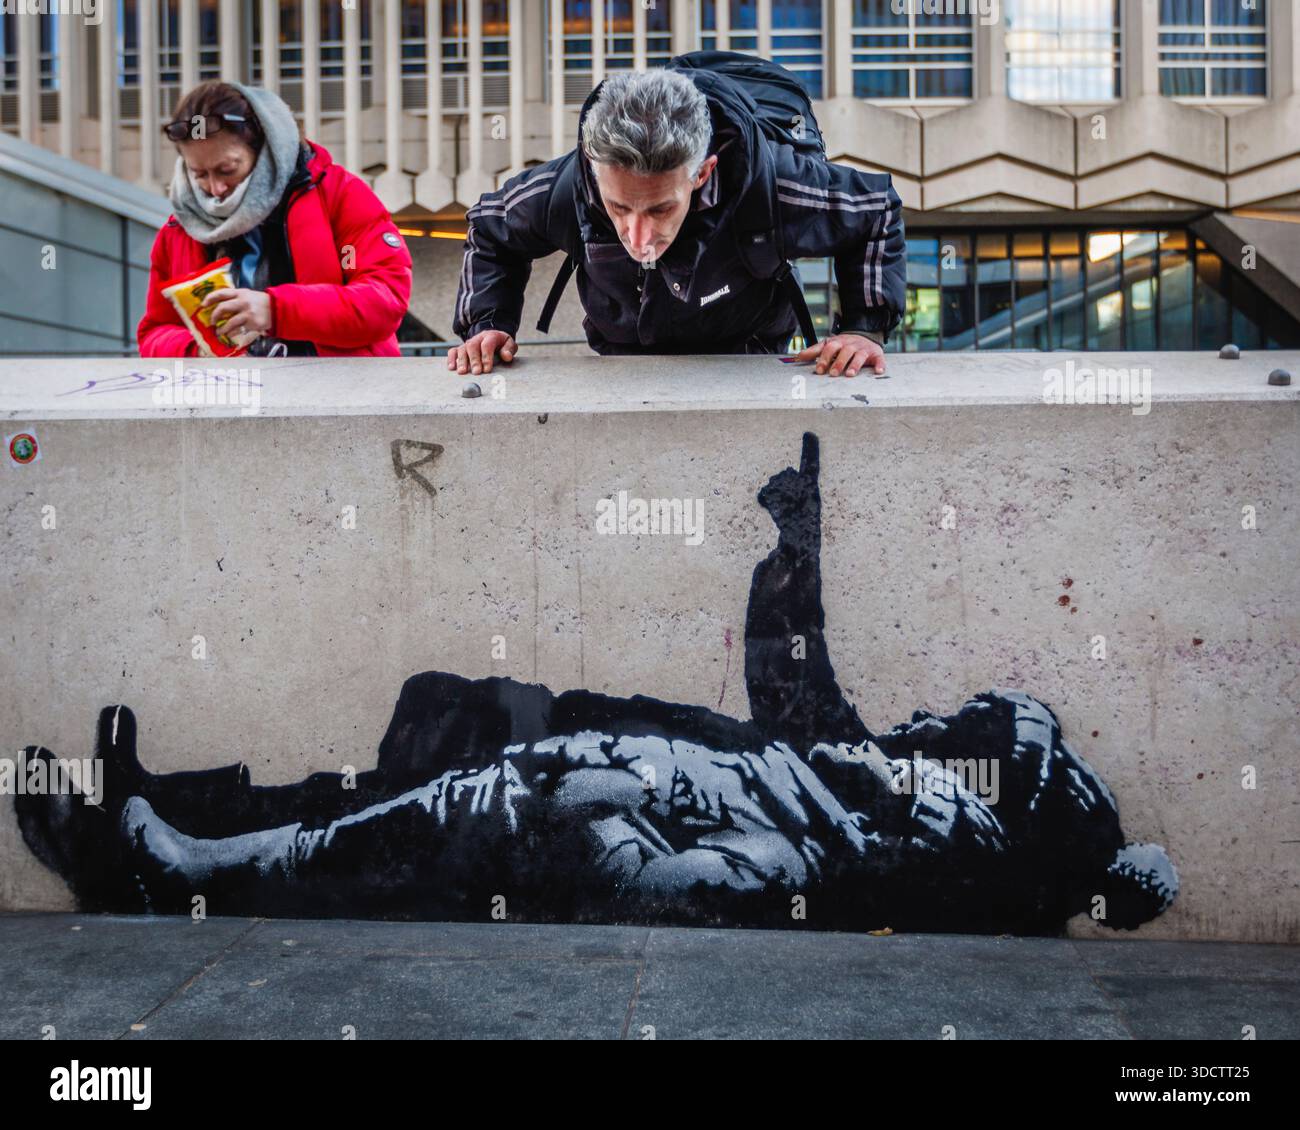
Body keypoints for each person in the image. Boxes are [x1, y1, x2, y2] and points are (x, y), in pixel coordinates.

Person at [15, 434, 1178, 936]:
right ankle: (169, 816)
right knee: (433, 734)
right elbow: (806, 712)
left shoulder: (956, 810)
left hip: (654, 798)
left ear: (1007, 772)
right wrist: (792, 558)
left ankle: (169, 858)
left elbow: (810, 756)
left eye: (959, 723)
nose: (932, 720)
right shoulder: (938, 796)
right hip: (653, 764)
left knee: (437, 793)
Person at [448, 56, 906, 379]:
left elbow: (876, 209)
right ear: (593, 164)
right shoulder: (567, 186)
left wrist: (863, 329)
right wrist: (487, 323)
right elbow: (490, 225)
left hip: (750, 355)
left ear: (702, 173)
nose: (639, 235)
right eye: (619, 207)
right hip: (622, 355)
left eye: (661, 207)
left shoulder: (777, 183)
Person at [137, 81, 412, 358]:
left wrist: (276, 310)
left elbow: (384, 300)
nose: (215, 189)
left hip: (339, 395)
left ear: (267, 148)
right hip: (230, 397)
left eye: (227, 170)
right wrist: (197, 349)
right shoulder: (179, 228)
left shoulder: (340, 195)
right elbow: (155, 331)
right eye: (198, 174)